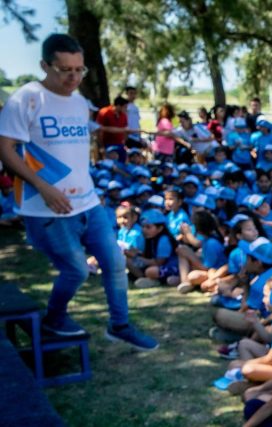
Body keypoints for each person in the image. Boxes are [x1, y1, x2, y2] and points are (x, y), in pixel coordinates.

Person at [0, 34, 156, 349]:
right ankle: (54, 320)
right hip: (45, 209)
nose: (73, 77)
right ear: (45, 65)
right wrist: (43, 187)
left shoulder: (78, 101)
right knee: (76, 271)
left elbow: (78, 147)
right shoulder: (27, 98)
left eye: (79, 70)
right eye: (64, 70)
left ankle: (120, 325)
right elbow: (5, 149)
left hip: (88, 204)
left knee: (114, 262)